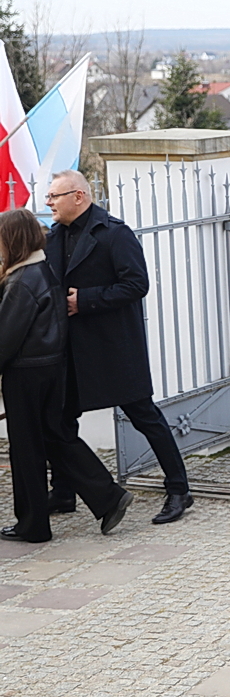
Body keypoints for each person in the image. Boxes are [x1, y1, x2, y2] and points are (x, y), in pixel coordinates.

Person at [42, 170, 194, 525]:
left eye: (54, 196)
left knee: (145, 417)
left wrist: (86, 300)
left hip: (113, 346)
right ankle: (63, 491)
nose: (48, 202)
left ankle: (179, 489)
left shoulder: (115, 233)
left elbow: (137, 284)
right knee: (60, 418)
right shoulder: (53, 236)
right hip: (70, 348)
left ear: (78, 196)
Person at [0, 209, 133, 543]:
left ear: (11, 239)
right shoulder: (40, 268)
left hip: (26, 373)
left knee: (27, 448)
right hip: (49, 368)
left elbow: (5, 339)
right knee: (55, 437)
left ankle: (33, 526)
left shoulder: (21, 280)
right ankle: (108, 496)